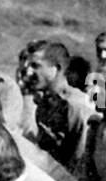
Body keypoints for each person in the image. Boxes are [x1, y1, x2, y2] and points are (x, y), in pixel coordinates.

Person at [21, 40, 95, 168]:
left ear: (57, 68)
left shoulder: (77, 107)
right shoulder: (46, 103)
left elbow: (81, 163)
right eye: (28, 66)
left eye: (36, 66)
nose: (28, 73)